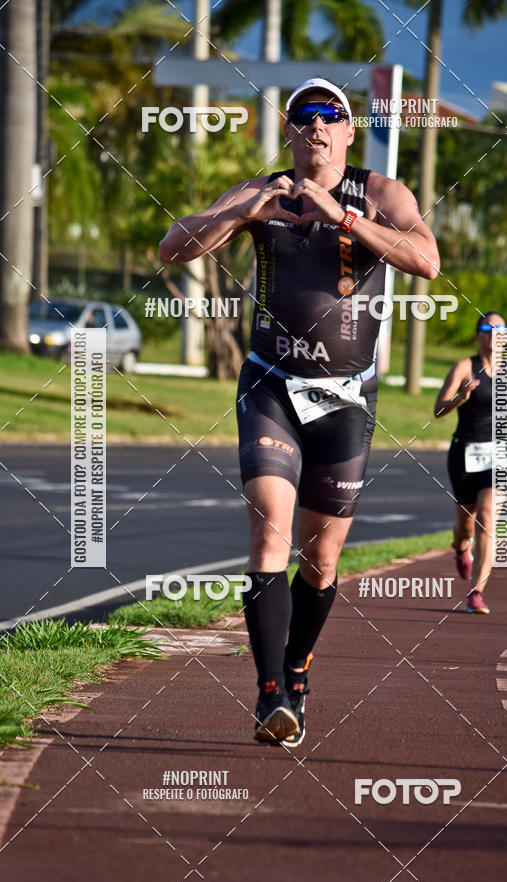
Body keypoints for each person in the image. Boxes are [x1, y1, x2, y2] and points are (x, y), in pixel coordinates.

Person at [160, 77, 440, 745]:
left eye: (330, 115)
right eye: (303, 115)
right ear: (289, 132)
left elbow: (426, 261)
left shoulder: (381, 194)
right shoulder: (262, 190)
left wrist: (339, 214)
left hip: (346, 397)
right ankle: (268, 696)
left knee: (320, 559)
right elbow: (173, 248)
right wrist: (245, 211)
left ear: (348, 131)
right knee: (268, 535)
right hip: (271, 385)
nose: (316, 124)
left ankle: (298, 667)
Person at [433, 311, 507, 614]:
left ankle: (476, 593)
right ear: (479, 335)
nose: (493, 333)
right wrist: (460, 399)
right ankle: (461, 547)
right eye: (486, 328)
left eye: (500, 329)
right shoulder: (465, 367)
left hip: (499, 455)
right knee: (466, 524)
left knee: (488, 517)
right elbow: (438, 410)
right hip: (464, 454)